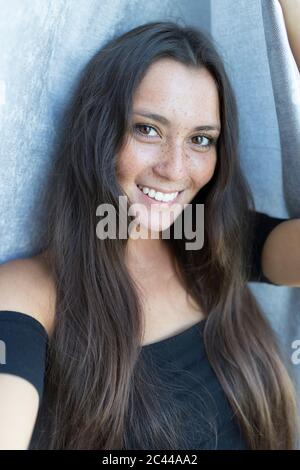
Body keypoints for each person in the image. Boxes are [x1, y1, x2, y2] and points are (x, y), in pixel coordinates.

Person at [0, 21, 299, 450]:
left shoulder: (213, 244)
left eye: (200, 139)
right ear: (97, 131)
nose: (175, 169)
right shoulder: (31, 296)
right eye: (148, 129)